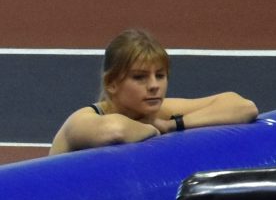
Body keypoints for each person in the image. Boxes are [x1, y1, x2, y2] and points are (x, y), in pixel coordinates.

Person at [48, 26, 257, 153]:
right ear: (111, 83)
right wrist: (153, 129)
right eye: (139, 77)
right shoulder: (81, 120)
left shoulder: (160, 112)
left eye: (160, 75)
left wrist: (173, 125)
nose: (154, 85)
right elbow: (115, 131)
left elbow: (243, 107)